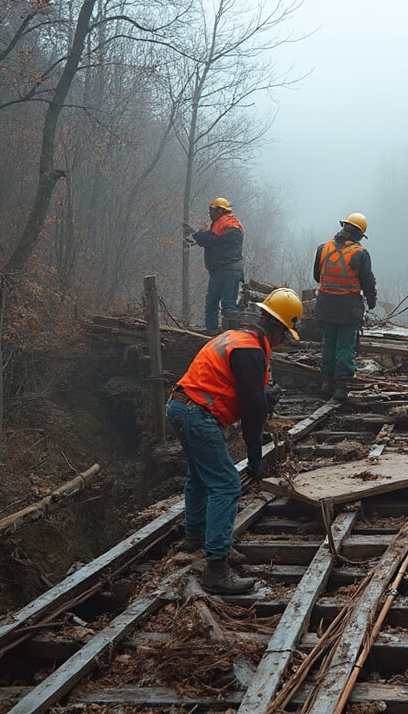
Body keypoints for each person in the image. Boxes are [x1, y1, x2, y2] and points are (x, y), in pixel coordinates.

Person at [166, 288, 302, 594]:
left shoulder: (240, 339)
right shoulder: (251, 350)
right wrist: (255, 456)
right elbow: (252, 411)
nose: (283, 344)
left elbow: (241, 389)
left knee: (200, 477)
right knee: (226, 484)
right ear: (278, 328)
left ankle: (196, 537)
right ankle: (217, 568)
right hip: (196, 413)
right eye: (286, 336)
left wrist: (262, 395)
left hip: (181, 406)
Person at [313, 212, 377, 401]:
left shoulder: (323, 248)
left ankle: (326, 383)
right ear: (358, 234)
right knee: (346, 346)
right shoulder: (360, 253)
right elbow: (368, 282)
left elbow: (317, 276)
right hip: (348, 308)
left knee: (329, 343)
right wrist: (371, 300)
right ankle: (341, 386)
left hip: (325, 304)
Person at [184, 197, 245, 333]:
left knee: (227, 306)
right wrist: (201, 237)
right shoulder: (217, 224)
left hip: (229, 269)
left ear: (219, 210)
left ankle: (232, 334)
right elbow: (211, 239)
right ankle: (212, 333)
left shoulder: (231, 224)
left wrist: (204, 238)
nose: (209, 213)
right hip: (219, 270)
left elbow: (223, 239)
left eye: (211, 210)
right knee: (212, 303)